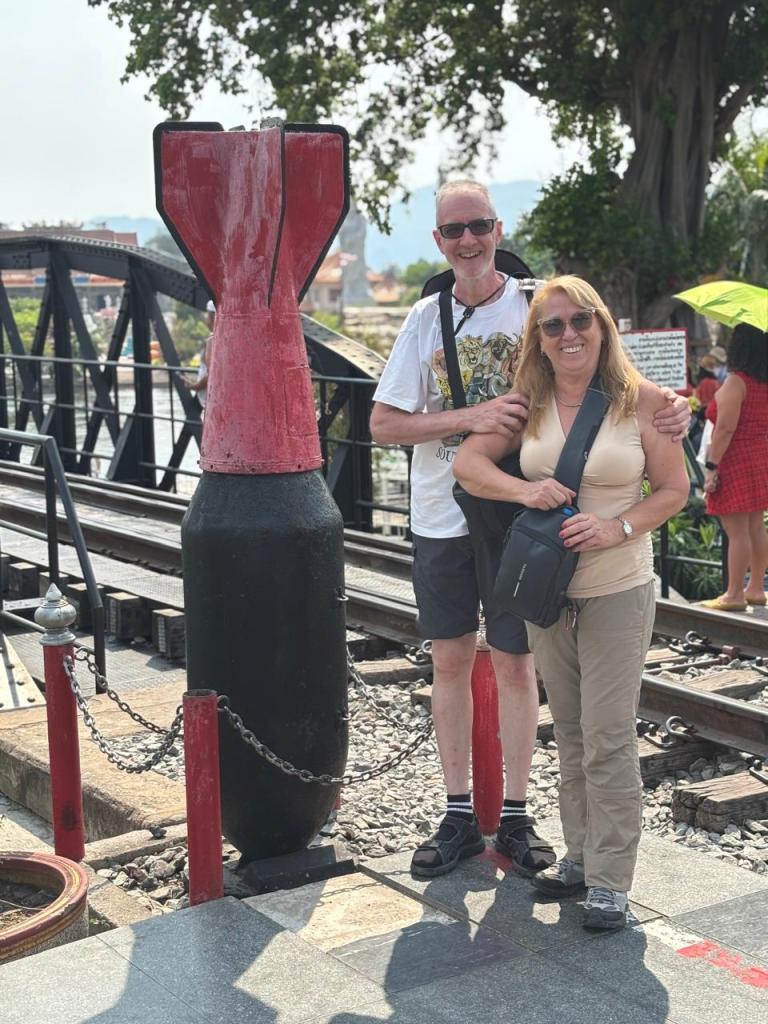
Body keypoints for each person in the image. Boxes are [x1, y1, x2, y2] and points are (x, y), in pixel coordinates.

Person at [369, 180, 691, 881]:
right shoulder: (425, 318)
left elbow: (614, 371)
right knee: (450, 659)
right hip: (443, 512)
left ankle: (516, 812)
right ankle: (459, 810)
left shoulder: (539, 305)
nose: (468, 241)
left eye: (479, 226)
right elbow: (383, 423)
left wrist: (676, 409)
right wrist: (470, 419)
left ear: (498, 228)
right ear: (438, 242)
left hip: (524, 520)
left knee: (517, 661)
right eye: (454, 231)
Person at [454, 275, 689, 930]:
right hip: (551, 594)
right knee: (572, 732)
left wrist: (619, 526)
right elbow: (469, 465)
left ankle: (611, 880)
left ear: (602, 326)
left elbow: (675, 489)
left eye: (580, 320)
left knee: (609, 736)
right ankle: (580, 856)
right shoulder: (528, 403)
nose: (568, 334)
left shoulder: (644, 402)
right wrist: (524, 492)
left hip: (618, 590)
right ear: (538, 339)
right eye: (552, 325)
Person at [701, 323, 768, 610]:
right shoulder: (763, 382)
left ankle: (734, 593)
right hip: (760, 455)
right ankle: (756, 589)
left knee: (737, 531)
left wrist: (712, 465)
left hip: (735, 458)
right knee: (755, 526)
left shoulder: (736, 382)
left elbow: (726, 428)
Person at [181, 300, 214, 406]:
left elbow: (211, 374)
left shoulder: (213, 340)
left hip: (209, 401)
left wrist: (195, 386)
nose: (206, 319)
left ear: (213, 318)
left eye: (207, 315)